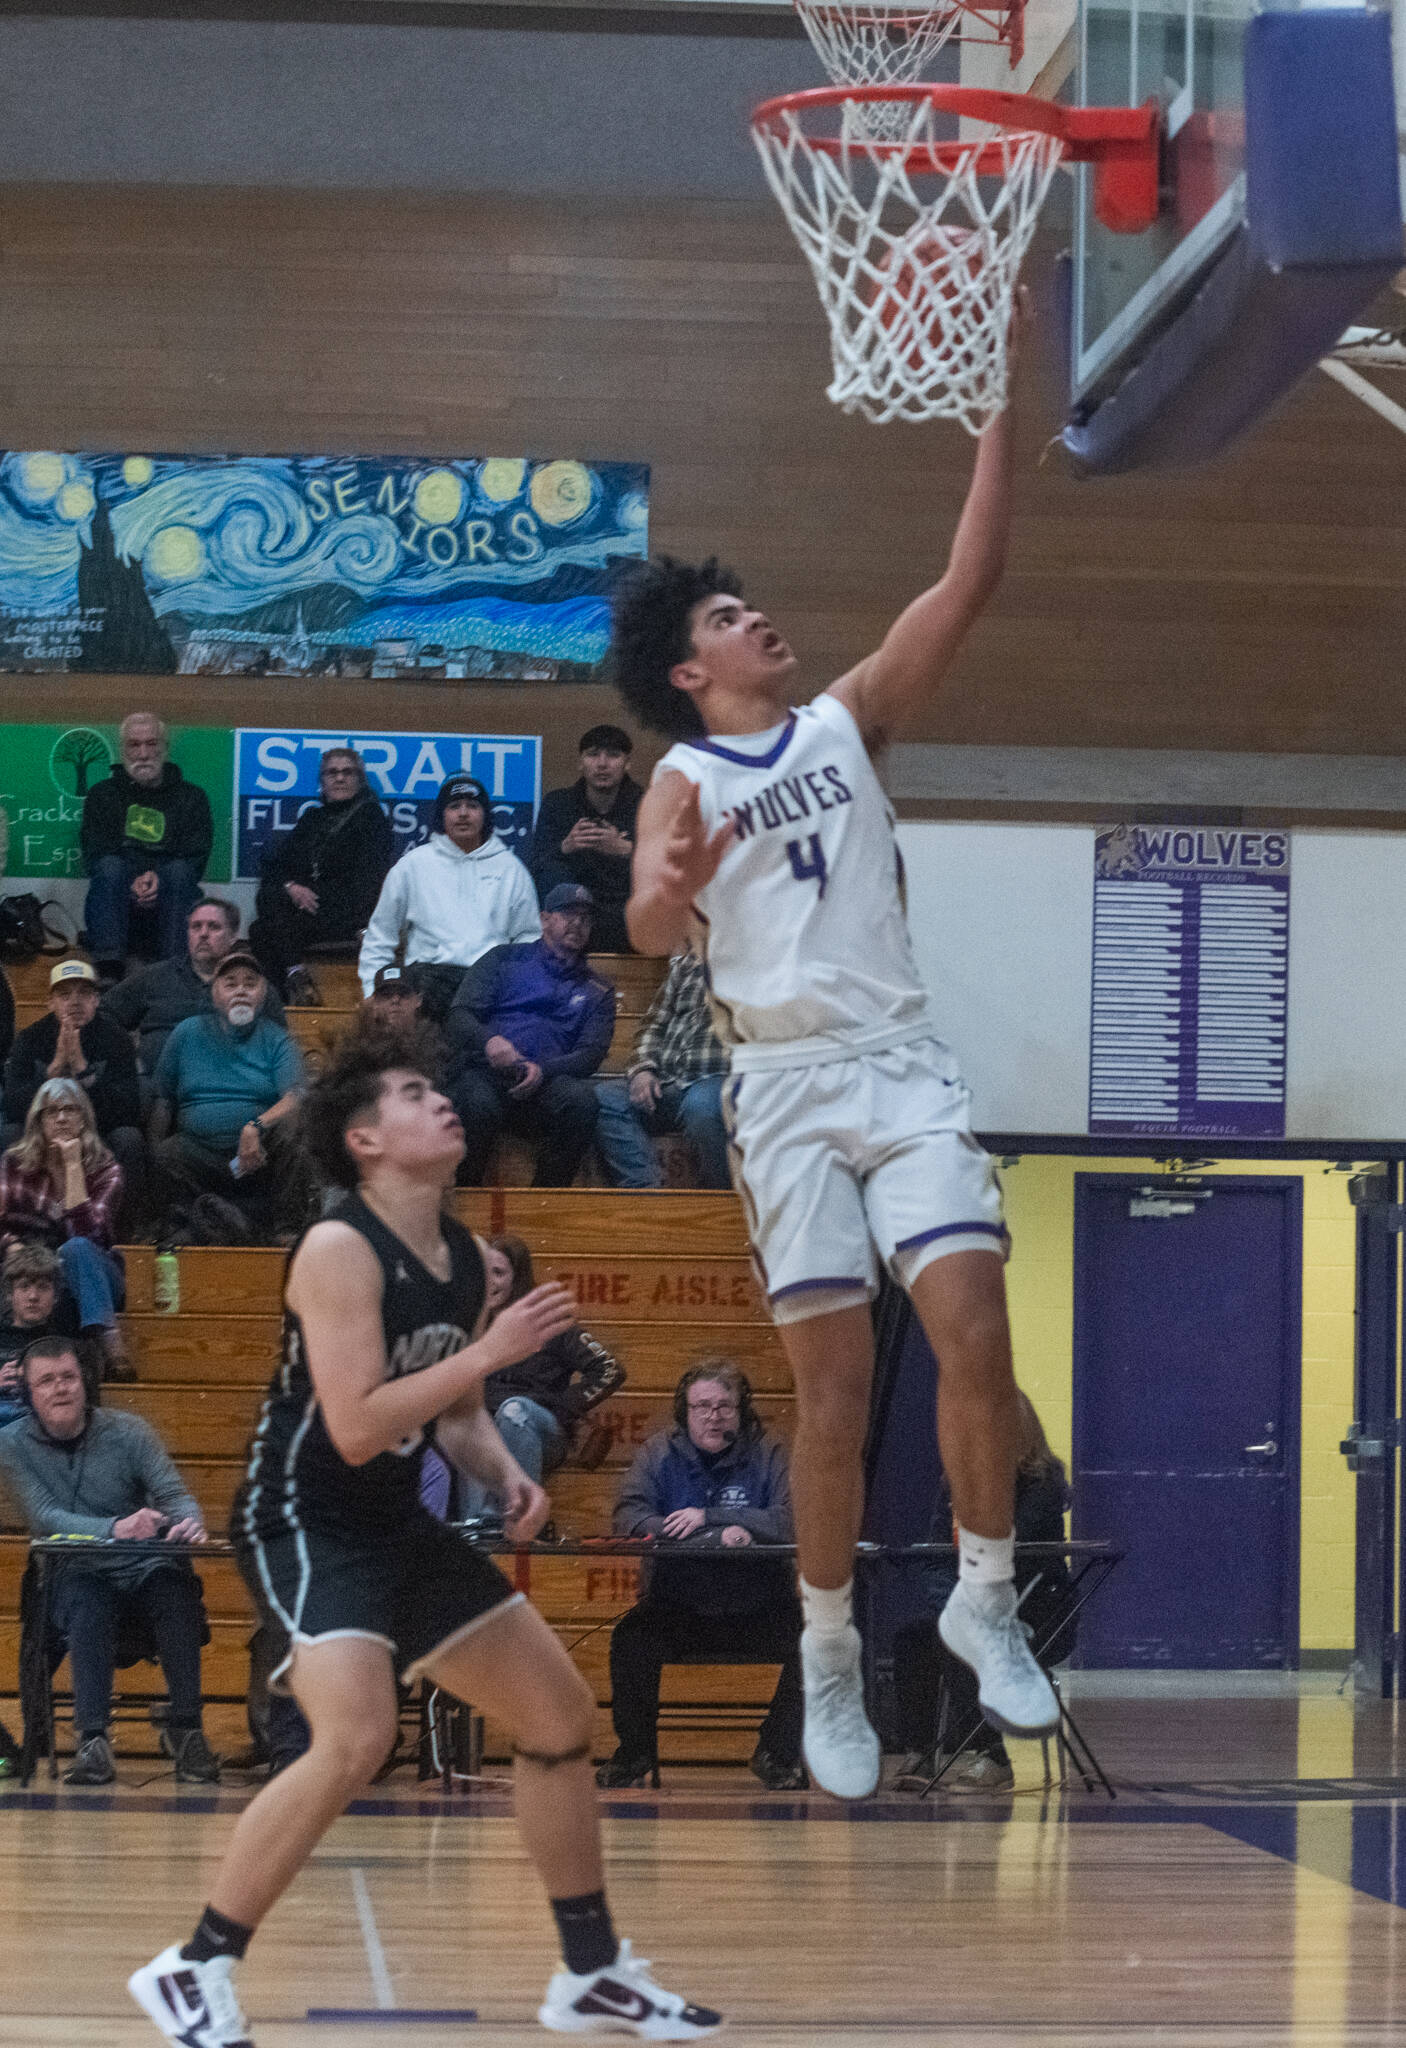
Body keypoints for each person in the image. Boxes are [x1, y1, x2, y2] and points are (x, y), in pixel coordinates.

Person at [613, 367, 1058, 1804]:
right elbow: (640, 924)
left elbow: (969, 576)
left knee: (973, 1322)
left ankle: (981, 1598)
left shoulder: (846, 718)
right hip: (784, 1090)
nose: (758, 619)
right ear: (691, 669)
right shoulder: (678, 775)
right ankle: (821, 1655)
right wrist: (667, 884)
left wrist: (996, 418)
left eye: (749, 606)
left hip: (901, 1063)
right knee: (833, 1392)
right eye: (728, 618)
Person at [127, 1015, 720, 2045]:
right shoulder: (334, 1247)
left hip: (397, 1519)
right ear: (364, 1137)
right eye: (409, 1092)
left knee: (556, 1714)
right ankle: (194, 1962)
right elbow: (357, 1423)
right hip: (302, 1516)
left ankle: (591, 1972)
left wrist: (497, 1469)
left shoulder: (464, 1253)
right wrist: (489, 1349)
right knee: (357, 1734)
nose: (439, 1098)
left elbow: (450, 1409)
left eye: (435, 1087)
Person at [0, 1335, 219, 1787]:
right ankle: (93, 1739)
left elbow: (174, 1494)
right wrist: (114, 1528)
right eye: (46, 1381)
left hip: (142, 1565)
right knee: (87, 1601)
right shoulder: (10, 1443)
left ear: (86, 1383)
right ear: (28, 1394)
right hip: (74, 1567)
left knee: (176, 1593)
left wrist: (190, 1522)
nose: (60, 1389)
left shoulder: (129, 1431)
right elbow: (44, 1517)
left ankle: (187, 1729)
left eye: (68, 1377)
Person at [597, 1359, 806, 1793]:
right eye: (702, 1407)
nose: (713, 1416)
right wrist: (712, 1535)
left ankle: (776, 1754)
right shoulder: (658, 1452)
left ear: (742, 1411)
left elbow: (795, 1520)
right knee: (631, 1640)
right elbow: (629, 1517)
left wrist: (714, 1516)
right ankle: (635, 1752)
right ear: (684, 1412)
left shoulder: (771, 1453)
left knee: (815, 1642)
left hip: (759, 1607)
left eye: (724, 1406)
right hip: (680, 1607)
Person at [893, 1391, 1076, 1793]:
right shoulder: (956, 1482)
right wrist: (948, 1600)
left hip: (1033, 1612)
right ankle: (921, 1752)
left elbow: (1009, 1548)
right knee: (912, 1639)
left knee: (963, 1634)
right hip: (970, 1603)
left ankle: (991, 1755)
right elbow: (936, 1553)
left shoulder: (1042, 1483)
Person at [423, 1233, 624, 1517]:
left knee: (514, 1411)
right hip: (488, 1429)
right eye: (483, 1272)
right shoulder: (468, 1325)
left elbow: (610, 1369)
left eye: (499, 1273)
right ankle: (479, 1527)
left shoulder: (547, 1321)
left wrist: (562, 1405)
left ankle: (516, 1520)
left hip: (540, 1428)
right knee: (473, 1425)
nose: (489, 1281)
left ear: (517, 1278)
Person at [445, 886, 615, 1187]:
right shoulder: (503, 959)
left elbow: (591, 1054)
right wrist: (489, 1042)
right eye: (567, 914)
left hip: (546, 1083)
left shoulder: (597, 988)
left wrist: (544, 1070)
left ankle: (545, 1198)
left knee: (582, 1102)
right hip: (489, 1073)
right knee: (476, 1101)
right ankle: (464, 1196)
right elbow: (459, 1016)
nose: (577, 923)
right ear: (544, 919)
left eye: (585, 918)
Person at [151, 948, 306, 1244]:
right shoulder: (186, 1033)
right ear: (214, 993)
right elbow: (162, 1097)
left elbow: (296, 1095)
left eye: (250, 983)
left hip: (260, 1156)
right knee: (165, 1153)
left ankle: (287, 1233)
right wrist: (153, 1152)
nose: (241, 992)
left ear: (263, 993)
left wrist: (255, 1126)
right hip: (198, 1155)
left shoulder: (277, 1038)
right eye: (230, 984)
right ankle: (176, 1227)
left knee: (294, 1139)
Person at [357, 773, 540, 1019]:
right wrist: (373, 991)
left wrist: (516, 986)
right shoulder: (412, 865)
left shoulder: (511, 869)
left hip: (487, 984)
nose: (463, 813)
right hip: (426, 986)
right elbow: (379, 938)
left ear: (485, 815)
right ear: (441, 815)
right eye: (454, 806)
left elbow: (529, 938)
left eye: (472, 806)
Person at [0, 1079, 132, 1383]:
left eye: (70, 1110)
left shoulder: (107, 1169)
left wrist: (73, 1166)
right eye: (52, 1112)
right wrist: (13, 1248)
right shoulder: (14, 1163)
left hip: (94, 1272)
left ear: (83, 1118)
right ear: (38, 1121)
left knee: (77, 1249)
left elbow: (89, 1235)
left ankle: (111, 1348)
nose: (61, 1118)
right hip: (31, 1264)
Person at [4, 958, 146, 1227]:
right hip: (42, 1133)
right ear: (50, 1003)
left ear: (96, 1000)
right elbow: (11, 1106)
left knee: (130, 1139)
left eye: (84, 993)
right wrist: (54, 1070)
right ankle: (15, 1224)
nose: (75, 1002)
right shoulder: (30, 1039)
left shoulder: (116, 1039)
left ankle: (128, 1231)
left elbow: (129, 1109)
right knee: (8, 1133)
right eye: (65, 994)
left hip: (97, 1131)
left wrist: (82, 1070)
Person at [249, 747, 395, 1004]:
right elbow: (276, 863)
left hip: (349, 913)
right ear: (322, 781)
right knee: (263, 917)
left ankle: (293, 980)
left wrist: (359, 922)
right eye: (332, 773)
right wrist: (291, 886)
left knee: (270, 918)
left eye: (347, 772)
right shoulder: (313, 818)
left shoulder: (371, 817)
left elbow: (371, 880)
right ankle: (290, 989)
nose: (339, 778)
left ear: (360, 779)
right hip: (311, 910)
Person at [81, 713, 214, 980]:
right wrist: (134, 880)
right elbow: (95, 853)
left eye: (151, 744)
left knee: (179, 873)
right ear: (122, 750)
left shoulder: (192, 797)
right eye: (134, 745)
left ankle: (175, 973)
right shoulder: (101, 795)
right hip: (117, 902)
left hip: (172, 899)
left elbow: (195, 859)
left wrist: (158, 876)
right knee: (108, 868)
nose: (143, 754)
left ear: (165, 748)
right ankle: (109, 972)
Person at [104, 899, 286, 1080]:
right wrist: (125, 1056)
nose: (203, 934)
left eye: (214, 927)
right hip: (156, 1084)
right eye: (196, 927)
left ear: (233, 936)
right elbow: (104, 1014)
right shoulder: (154, 977)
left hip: (228, 1088)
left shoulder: (255, 987)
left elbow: (278, 1045)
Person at [594, 948, 730, 1189]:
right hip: (668, 1081)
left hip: (714, 1077)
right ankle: (646, 1193)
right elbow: (653, 1024)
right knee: (606, 1097)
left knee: (702, 1109)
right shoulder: (686, 965)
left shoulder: (758, 967)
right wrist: (642, 1069)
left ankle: (723, 1200)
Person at [529, 725, 642, 951]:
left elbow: (671, 867)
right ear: (580, 762)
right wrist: (566, 847)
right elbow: (533, 865)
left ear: (627, 763)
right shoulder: (558, 804)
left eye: (612, 755)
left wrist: (625, 849)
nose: (602, 764)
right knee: (553, 874)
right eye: (593, 755)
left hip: (625, 909)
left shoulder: (647, 805)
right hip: (576, 906)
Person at [0, 1242, 80, 1426]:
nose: (33, 1296)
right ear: (9, 1295)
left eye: (43, 1287)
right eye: (24, 1287)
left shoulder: (65, 1347)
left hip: (43, 1428)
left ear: (56, 1296)